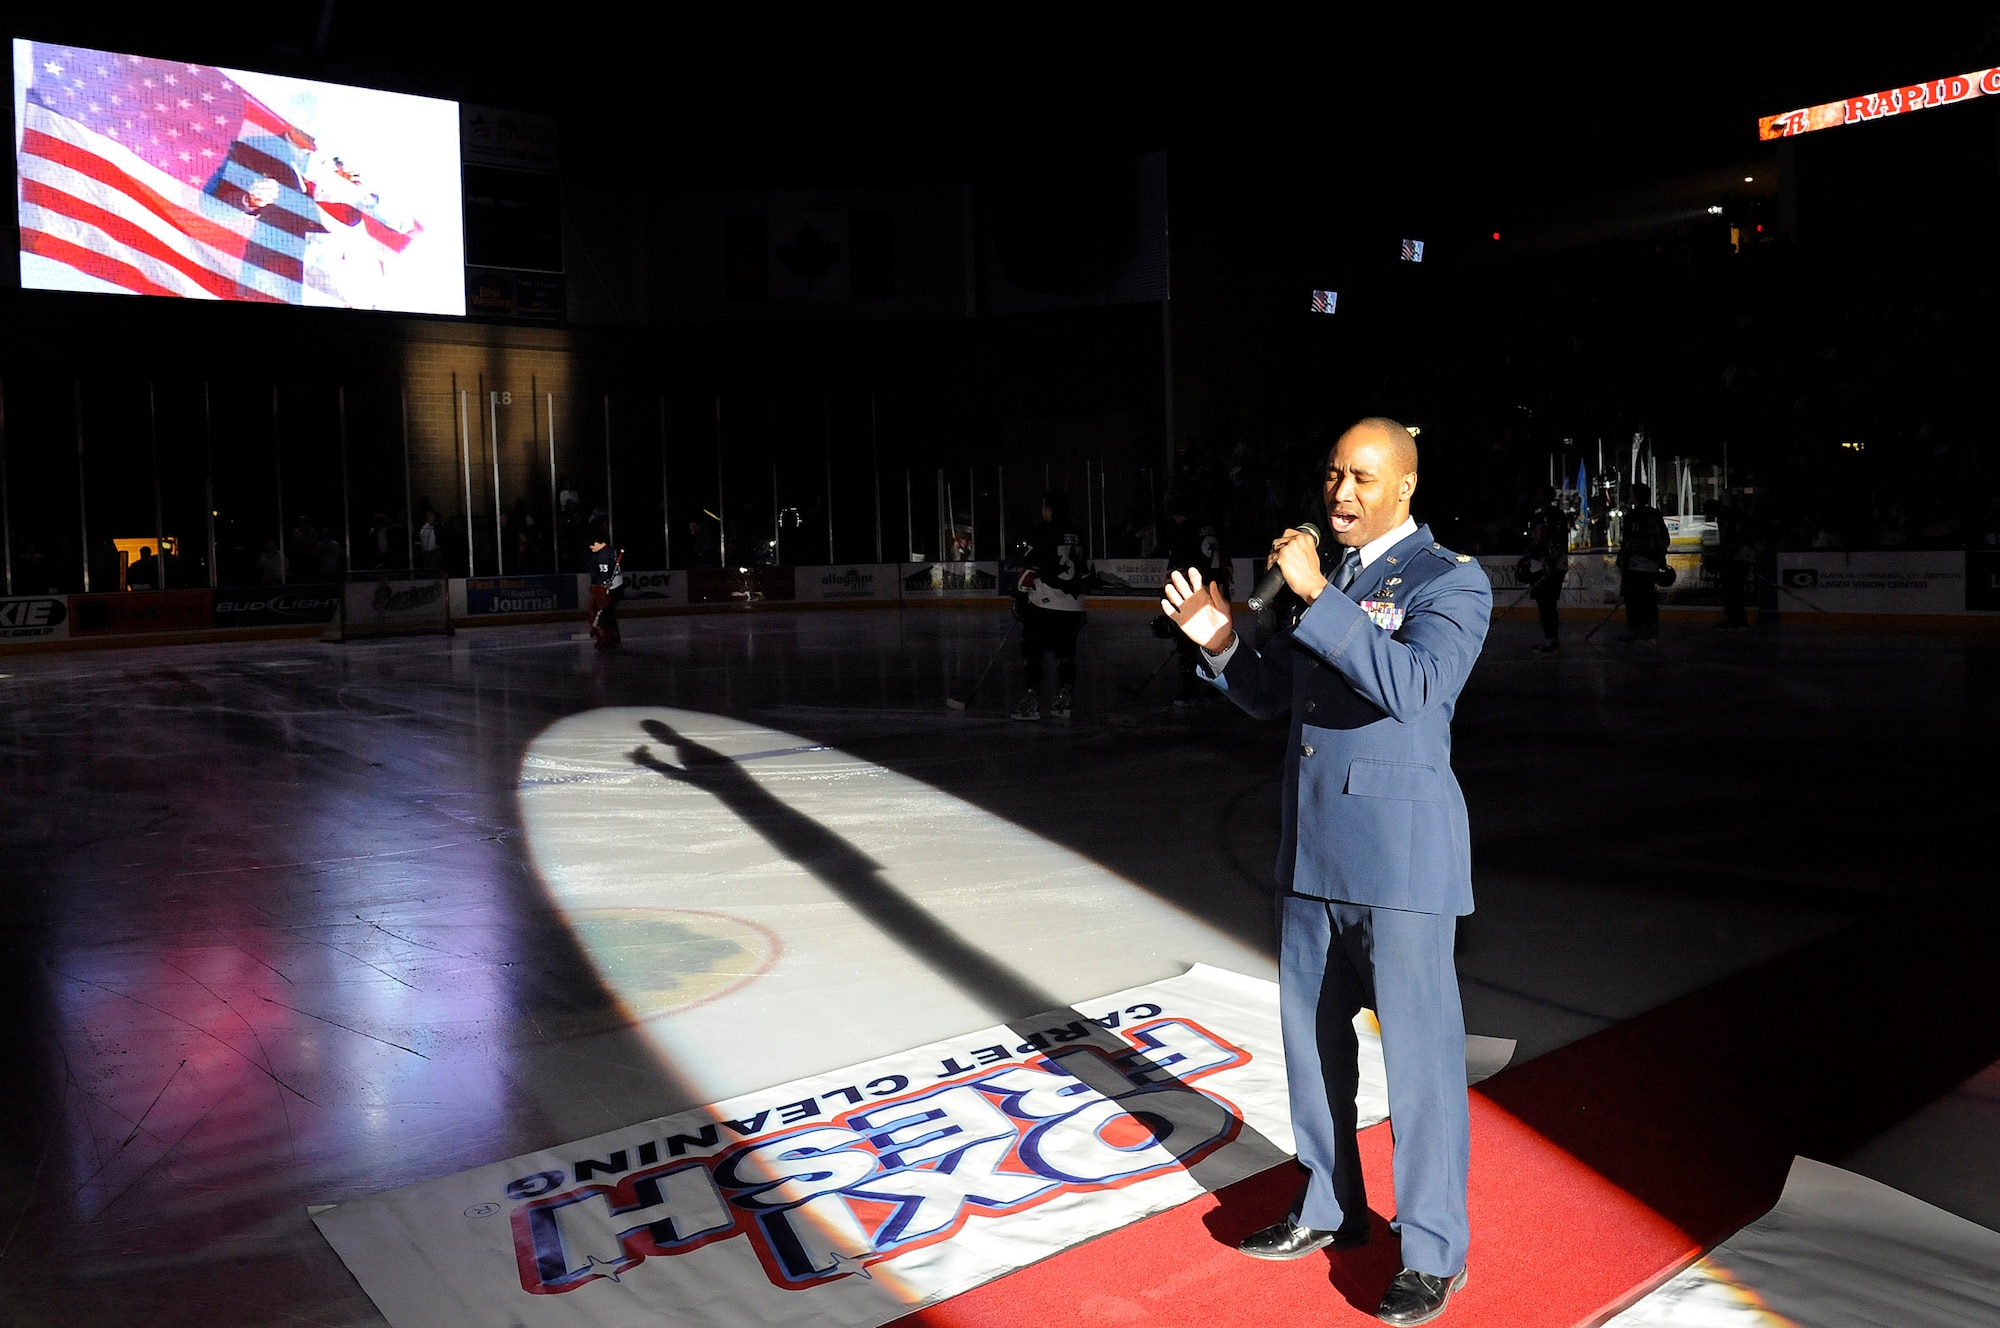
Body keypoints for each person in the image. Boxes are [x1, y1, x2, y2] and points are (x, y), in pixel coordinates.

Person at [1162, 417, 1490, 1327]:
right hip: (1312, 857)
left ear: (1405, 488)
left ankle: (1431, 1251)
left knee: (1420, 1069)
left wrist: (1319, 598)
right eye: (1335, 474)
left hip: (1401, 867)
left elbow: (1418, 686)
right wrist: (1222, 641)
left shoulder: (1450, 579)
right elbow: (1277, 698)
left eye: (1363, 477)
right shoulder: (1332, 581)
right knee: (1311, 1052)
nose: (1341, 492)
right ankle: (1329, 1204)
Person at [1011, 490, 1090, 721]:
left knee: (1032, 649)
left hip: (1046, 604)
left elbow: (1030, 569)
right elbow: (1084, 573)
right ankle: (1065, 699)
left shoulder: (1041, 532)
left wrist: (1019, 595)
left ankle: (1031, 699)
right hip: (1074, 605)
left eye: (1044, 507)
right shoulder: (1078, 533)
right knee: (1066, 653)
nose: (1042, 511)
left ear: (1050, 509)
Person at [1519, 486, 1571, 654]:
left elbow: (1559, 540)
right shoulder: (1537, 516)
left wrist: (1548, 560)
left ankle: (1552, 639)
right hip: (1539, 564)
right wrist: (1531, 556)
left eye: (1539, 493)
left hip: (1552, 565)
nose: (1535, 495)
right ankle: (1549, 638)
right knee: (1543, 603)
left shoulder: (1556, 515)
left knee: (1548, 603)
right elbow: (1535, 541)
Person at [1617, 482, 1670, 643]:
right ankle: (1650, 628)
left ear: (1636, 496)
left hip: (1636, 564)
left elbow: (1626, 542)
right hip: (1650, 564)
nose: (1630, 495)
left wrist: (1623, 558)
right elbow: (1664, 539)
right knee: (1647, 598)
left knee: (1633, 598)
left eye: (1632, 493)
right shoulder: (1655, 514)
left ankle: (1636, 629)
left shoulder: (1631, 516)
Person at [586, 527, 625, 649]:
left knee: (603, 615)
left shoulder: (603, 555)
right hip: (617, 587)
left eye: (592, 546)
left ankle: (608, 639)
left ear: (598, 544)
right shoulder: (610, 551)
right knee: (608, 614)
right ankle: (613, 637)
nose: (591, 549)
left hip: (611, 589)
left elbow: (604, 575)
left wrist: (603, 584)